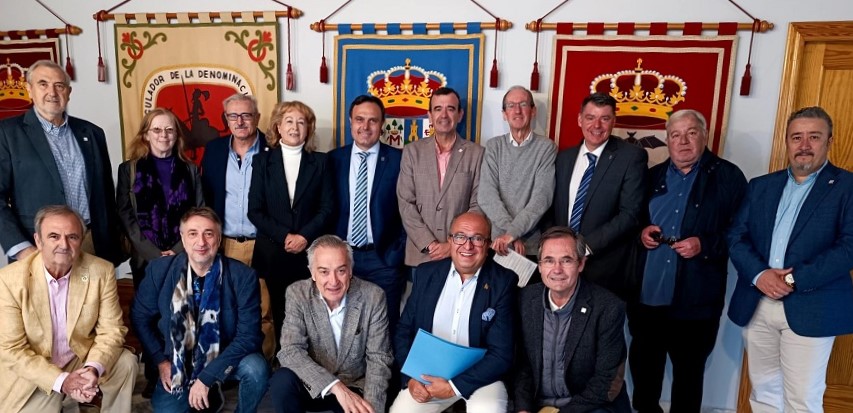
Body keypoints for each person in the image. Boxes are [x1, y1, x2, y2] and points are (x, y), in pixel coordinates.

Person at [727, 106, 853, 413]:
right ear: (786, 141)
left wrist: (792, 280)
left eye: (814, 137)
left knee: (802, 400)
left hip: (812, 305)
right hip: (758, 302)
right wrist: (760, 274)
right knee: (764, 394)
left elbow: (848, 248)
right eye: (797, 137)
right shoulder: (761, 186)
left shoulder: (847, 187)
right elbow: (736, 237)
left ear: (829, 141)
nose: (804, 145)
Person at [629, 110, 747, 413]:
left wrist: (704, 244)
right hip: (648, 298)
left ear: (704, 136)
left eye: (691, 133)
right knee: (644, 381)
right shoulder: (651, 176)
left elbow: (741, 233)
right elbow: (632, 220)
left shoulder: (728, 177)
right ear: (667, 140)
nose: (683, 141)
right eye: (675, 135)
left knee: (688, 381)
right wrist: (641, 232)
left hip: (696, 302)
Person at [0, 205, 137, 412]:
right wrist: (62, 381)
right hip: (35, 372)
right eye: (54, 236)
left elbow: (112, 330)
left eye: (72, 237)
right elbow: (12, 350)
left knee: (126, 363)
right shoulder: (9, 280)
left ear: (81, 240)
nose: (63, 245)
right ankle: (64, 397)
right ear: (38, 241)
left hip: (78, 358)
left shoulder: (101, 271)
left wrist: (92, 368)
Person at [131, 207, 268, 412]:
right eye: (193, 234)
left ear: (219, 239)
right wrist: (161, 361)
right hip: (178, 360)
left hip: (224, 356)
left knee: (256, 369)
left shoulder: (243, 276)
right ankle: (206, 395)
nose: (201, 242)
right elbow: (140, 318)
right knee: (166, 409)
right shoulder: (159, 270)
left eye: (209, 234)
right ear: (183, 238)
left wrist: (206, 378)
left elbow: (249, 337)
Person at [0, 60, 122, 265]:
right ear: (29, 89)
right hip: (38, 249)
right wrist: (22, 249)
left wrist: (111, 246)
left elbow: (106, 196)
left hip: (91, 245)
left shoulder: (93, 133)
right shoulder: (7, 133)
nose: (52, 92)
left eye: (59, 85)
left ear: (69, 92)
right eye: (43, 84)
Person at [391, 212, 515, 413]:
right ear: (450, 240)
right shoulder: (426, 274)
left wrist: (453, 387)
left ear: (488, 244)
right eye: (460, 237)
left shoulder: (503, 282)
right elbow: (403, 330)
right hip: (428, 375)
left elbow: (502, 353)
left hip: (481, 377)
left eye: (477, 238)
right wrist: (410, 377)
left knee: (488, 409)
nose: (468, 246)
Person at [270, 235, 394, 413]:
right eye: (324, 272)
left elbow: (379, 358)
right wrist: (334, 386)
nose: (333, 281)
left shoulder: (373, 296)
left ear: (350, 271)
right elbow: (290, 351)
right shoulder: (297, 294)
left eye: (341, 271)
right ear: (312, 273)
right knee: (282, 380)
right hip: (312, 383)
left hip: (354, 386)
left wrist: (371, 408)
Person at [514, 227, 629, 413]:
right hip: (536, 404)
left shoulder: (608, 308)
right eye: (549, 260)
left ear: (581, 264)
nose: (557, 269)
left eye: (566, 260)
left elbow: (605, 381)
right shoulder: (525, 300)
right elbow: (522, 366)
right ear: (540, 265)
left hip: (588, 407)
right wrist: (523, 409)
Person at [248, 101, 333, 342]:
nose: (295, 127)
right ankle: (282, 359)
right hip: (274, 252)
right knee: (278, 313)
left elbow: (327, 208)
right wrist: (285, 236)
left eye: (301, 122)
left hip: (310, 252)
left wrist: (304, 236)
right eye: (289, 121)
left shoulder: (321, 162)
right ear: (278, 127)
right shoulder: (262, 162)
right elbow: (254, 210)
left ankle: (309, 362)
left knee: (311, 315)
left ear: (308, 128)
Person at [200, 93, 275, 360]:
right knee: (227, 307)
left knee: (264, 310)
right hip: (226, 243)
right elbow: (207, 197)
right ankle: (230, 365)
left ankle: (265, 365)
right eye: (233, 116)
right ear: (226, 119)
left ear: (257, 117)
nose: (240, 121)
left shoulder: (274, 149)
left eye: (246, 115)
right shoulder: (214, 150)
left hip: (263, 243)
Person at [551, 92, 647, 300]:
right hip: (561, 266)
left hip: (605, 266)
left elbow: (630, 214)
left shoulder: (631, 157)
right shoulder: (564, 158)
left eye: (604, 118)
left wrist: (583, 248)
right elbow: (552, 207)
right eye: (590, 117)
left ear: (613, 121)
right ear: (580, 119)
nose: (597, 125)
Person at [329, 95, 406, 331]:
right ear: (350, 122)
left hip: (383, 258)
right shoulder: (332, 160)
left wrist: (397, 251)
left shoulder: (399, 160)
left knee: (385, 326)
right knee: (342, 325)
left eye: (373, 120)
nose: (365, 126)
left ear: (382, 124)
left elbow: (410, 208)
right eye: (359, 119)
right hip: (341, 257)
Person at [397, 87, 484, 274]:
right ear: (430, 115)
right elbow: (405, 203)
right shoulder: (412, 152)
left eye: (450, 109)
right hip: (422, 254)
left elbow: (478, 204)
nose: (444, 115)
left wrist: (453, 244)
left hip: (462, 253)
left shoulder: (477, 154)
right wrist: (429, 243)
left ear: (460, 115)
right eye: (438, 109)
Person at [117, 107, 204, 287]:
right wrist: (152, 252)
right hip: (144, 256)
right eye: (156, 130)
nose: (163, 135)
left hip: (184, 254)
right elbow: (125, 214)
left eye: (169, 129)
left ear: (176, 135)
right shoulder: (128, 170)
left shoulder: (191, 169)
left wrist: (178, 249)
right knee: (147, 303)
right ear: (146, 135)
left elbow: (200, 211)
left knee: (182, 303)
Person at [478, 85, 556, 263]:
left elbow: (541, 198)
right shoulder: (494, 146)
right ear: (504, 114)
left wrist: (512, 233)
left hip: (529, 247)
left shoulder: (546, 147)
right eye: (511, 105)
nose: (517, 110)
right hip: (498, 244)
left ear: (533, 111)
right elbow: (486, 196)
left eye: (523, 104)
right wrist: (511, 234)